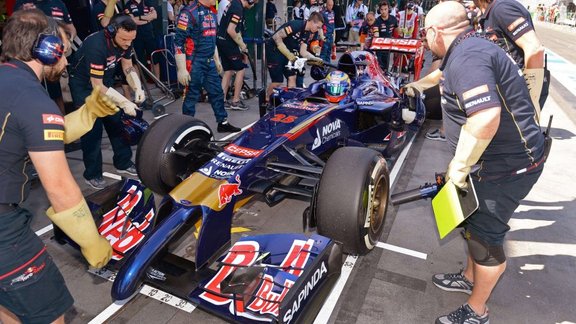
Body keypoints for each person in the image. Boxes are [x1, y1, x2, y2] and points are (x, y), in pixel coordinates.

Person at [422, 2, 546, 323]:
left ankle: (477, 310)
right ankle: (469, 275)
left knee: (485, 237)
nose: (425, 39)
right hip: (490, 159)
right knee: (469, 219)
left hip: (507, 165)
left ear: (436, 32)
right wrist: (415, 88)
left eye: (425, 32)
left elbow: (486, 116)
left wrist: (459, 169)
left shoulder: (468, 57)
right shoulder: (468, 48)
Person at [0, 10, 114, 323]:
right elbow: (61, 188)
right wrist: (91, 241)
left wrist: (88, 112)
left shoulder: (8, 83)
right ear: (47, 49)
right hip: (2, 228)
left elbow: (37, 132)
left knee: (8, 304)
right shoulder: (33, 99)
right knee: (51, 314)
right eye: (63, 48)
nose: (65, 59)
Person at [68, 15, 143, 189]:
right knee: (92, 131)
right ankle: (92, 174)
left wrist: (137, 87)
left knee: (117, 122)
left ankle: (123, 162)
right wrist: (124, 102)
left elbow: (127, 66)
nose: (127, 43)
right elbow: (96, 86)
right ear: (111, 31)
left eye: (131, 39)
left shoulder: (127, 40)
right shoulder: (96, 46)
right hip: (84, 86)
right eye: (124, 39)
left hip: (104, 82)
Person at [174, 0, 241, 133]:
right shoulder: (188, 13)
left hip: (209, 61)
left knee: (217, 93)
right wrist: (181, 69)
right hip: (194, 62)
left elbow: (212, 37)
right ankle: (185, 129)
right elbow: (178, 43)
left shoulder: (212, 11)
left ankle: (222, 122)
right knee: (191, 96)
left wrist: (216, 60)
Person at [474, 0, 547, 120]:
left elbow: (534, 48)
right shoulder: (491, 11)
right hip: (508, 89)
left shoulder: (501, 8)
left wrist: (530, 98)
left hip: (517, 91)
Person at [14, 0, 77, 113]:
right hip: (34, 58)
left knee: (57, 94)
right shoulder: (21, 4)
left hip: (56, 57)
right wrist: (23, 14)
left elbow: (71, 28)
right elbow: (14, 31)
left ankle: (60, 120)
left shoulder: (58, 3)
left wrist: (67, 42)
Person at [265, 11, 324, 100]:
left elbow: (303, 52)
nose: (318, 29)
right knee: (277, 81)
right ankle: (267, 100)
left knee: (292, 77)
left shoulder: (308, 33)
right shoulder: (296, 25)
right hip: (274, 50)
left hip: (287, 52)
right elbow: (276, 37)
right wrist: (288, 54)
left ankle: (290, 102)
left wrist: (316, 59)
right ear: (312, 22)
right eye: (318, 27)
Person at [217, 0, 255, 111]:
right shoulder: (237, 8)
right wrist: (242, 45)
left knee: (228, 70)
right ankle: (235, 101)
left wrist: (241, 44)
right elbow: (231, 30)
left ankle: (221, 100)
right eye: (254, 2)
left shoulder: (234, 4)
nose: (253, 5)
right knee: (241, 69)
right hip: (228, 42)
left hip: (221, 40)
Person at [125, 0, 160, 79]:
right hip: (136, 36)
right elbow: (132, 21)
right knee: (137, 60)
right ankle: (139, 85)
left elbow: (155, 15)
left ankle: (157, 81)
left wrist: (139, 18)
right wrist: (148, 19)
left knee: (154, 58)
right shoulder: (128, 4)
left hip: (149, 35)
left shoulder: (148, 2)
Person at [374, 1, 399, 69]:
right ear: (379, 10)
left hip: (388, 47)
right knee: (379, 66)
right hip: (379, 47)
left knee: (386, 67)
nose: (383, 11)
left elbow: (398, 31)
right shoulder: (377, 21)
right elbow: (376, 35)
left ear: (389, 9)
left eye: (385, 9)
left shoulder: (393, 19)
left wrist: (402, 31)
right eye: (382, 9)